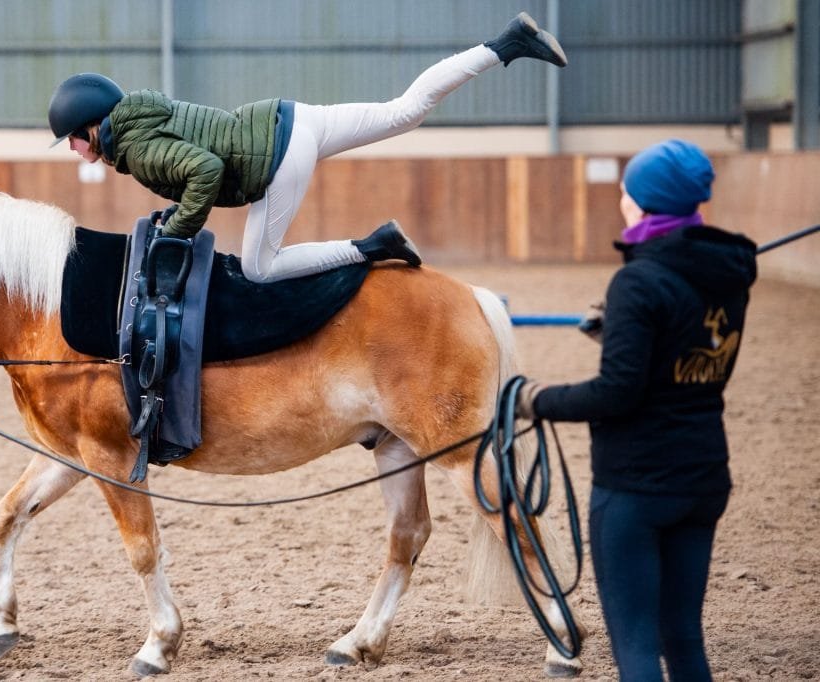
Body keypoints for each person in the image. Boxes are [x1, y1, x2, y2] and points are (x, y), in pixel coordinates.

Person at [47, 12, 567, 283]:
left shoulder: (135, 148)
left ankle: (372, 248)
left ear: (89, 126)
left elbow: (203, 170)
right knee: (404, 110)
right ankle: (506, 44)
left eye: (71, 139)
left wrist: (177, 232)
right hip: (291, 118)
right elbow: (192, 160)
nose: (72, 150)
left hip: (275, 157)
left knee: (259, 268)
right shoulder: (141, 120)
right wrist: (175, 212)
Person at [515, 140, 757, 681]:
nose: (622, 196)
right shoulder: (728, 277)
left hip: (636, 487)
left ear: (642, 205)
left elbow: (617, 394)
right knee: (685, 640)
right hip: (702, 477)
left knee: (638, 647)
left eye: (628, 189)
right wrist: (619, 332)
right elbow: (682, 359)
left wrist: (536, 398)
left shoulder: (638, 281)